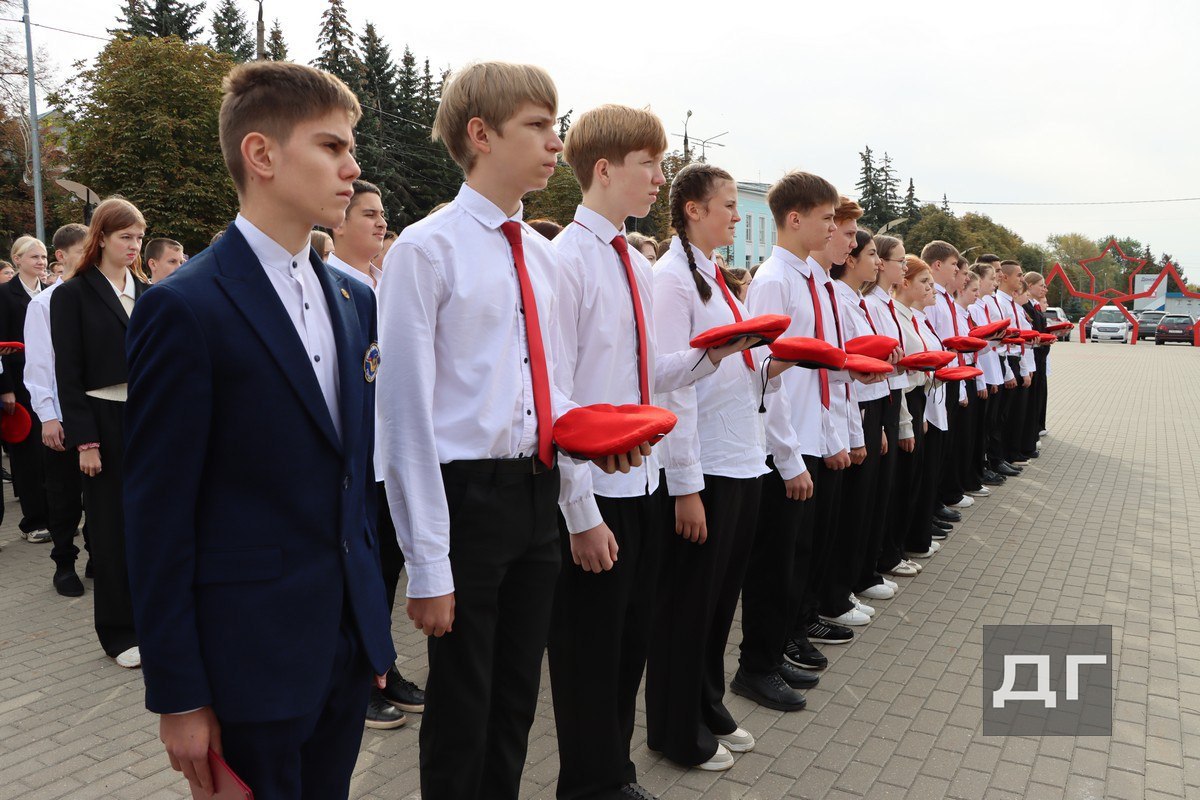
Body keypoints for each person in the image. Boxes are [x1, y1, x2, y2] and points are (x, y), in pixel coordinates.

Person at [378, 62, 652, 800]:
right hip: (468, 499)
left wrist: (585, 481)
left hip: (536, 495)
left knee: (515, 700)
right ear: (481, 134)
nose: (556, 142)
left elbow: (551, 392)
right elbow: (403, 417)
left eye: (555, 125)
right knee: (462, 705)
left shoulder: (539, 253)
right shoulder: (425, 250)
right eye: (537, 125)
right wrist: (426, 564)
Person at [124, 61, 396, 798]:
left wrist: (369, 627)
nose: (352, 167)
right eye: (332, 147)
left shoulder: (354, 300)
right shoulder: (186, 307)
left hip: (343, 649)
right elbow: (156, 513)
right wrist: (179, 693)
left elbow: (353, 478)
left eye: (350, 149)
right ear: (262, 154)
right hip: (247, 662)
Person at [548, 103, 748, 800]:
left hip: (641, 483)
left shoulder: (633, 262)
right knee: (589, 657)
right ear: (604, 170)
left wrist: (710, 355)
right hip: (595, 491)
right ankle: (589, 785)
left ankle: (615, 776)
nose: (661, 179)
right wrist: (579, 513)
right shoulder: (565, 262)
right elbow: (558, 397)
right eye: (650, 165)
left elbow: (644, 374)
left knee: (629, 647)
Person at [646, 163, 804, 771]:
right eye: (730, 205)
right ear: (694, 209)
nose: (739, 216)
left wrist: (776, 363)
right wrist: (685, 485)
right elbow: (672, 387)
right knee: (688, 605)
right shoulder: (671, 280)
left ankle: (707, 704)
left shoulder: (715, 276)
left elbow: (734, 366)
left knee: (717, 604)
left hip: (741, 457)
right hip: (705, 463)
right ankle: (676, 729)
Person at [736, 171, 837, 711]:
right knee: (773, 563)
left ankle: (775, 652)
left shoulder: (805, 278)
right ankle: (756, 667)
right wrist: (787, 455)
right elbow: (763, 375)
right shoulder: (774, 281)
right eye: (826, 218)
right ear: (794, 219)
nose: (832, 228)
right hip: (784, 443)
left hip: (805, 435)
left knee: (795, 556)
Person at [327, 177, 423, 730]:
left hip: (392, 454)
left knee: (385, 569)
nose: (381, 222)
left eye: (383, 213)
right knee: (358, 575)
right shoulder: (330, 285)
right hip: (357, 460)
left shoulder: (383, 282)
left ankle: (382, 665)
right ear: (337, 224)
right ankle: (357, 680)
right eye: (368, 213)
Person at [51, 198, 146, 668]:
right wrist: (85, 441)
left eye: (140, 237)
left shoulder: (147, 291)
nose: (134, 245)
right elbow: (67, 375)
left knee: (149, 526)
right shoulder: (72, 294)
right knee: (109, 529)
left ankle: (152, 622)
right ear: (102, 237)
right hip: (102, 421)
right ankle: (118, 632)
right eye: (126, 237)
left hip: (147, 418)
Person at [26, 223, 90, 595]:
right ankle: (64, 563)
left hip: (97, 410)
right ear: (61, 257)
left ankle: (99, 555)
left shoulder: (98, 294)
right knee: (64, 495)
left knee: (99, 494)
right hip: (62, 415)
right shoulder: (44, 303)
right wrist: (48, 416)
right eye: (83, 250)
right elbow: (39, 365)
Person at [865, 235, 923, 580]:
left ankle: (883, 557)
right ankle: (874, 564)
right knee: (875, 495)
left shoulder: (883, 304)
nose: (904, 266)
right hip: (877, 399)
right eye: (899, 260)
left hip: (892, 397)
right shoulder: (871, 305)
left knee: (885, 491)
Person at [889, 255, 943, 562]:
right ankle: (898, 549)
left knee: (913, 478)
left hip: (918, 398)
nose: (928, 288)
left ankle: (907, 543)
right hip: (904, 400)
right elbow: (899, 372)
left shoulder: (909, 316)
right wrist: (906, 420)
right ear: (904, 282)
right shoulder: (894, 314)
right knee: (903, 481)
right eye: (924, 281)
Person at [0, 235, 51, 542]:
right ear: (17, 260)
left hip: (49, 381)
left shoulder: (52, 291)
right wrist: (5, 388)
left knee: (50, 452)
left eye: (43, 256)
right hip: (19, 384)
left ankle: (55, 514)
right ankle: (33, 521)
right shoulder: (5, 294)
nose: (41, 262)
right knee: (27, 455)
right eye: (34, 257)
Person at [1021, 271, 1049, 456]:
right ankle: (1026, 442)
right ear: (1029, 286)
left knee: (1035, 401)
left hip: (1036, 359)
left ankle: (1032, 437)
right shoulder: (1025, 306)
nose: (1044, 289)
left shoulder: (1033, 306)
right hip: (1029, 359)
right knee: (1028, 404)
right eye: (1041, 285)